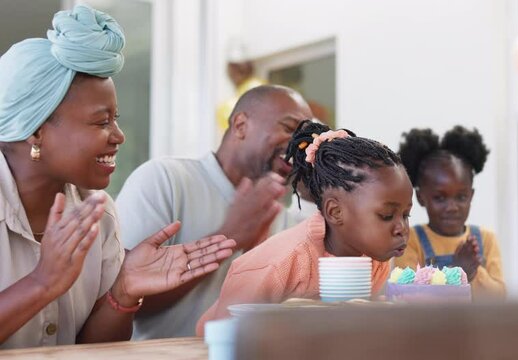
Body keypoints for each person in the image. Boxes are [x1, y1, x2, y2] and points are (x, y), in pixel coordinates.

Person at [0, 5, 235, 349]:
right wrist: (42, 283)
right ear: (36, 131)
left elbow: (93, 348)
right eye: (101, 121)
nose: (119, 135)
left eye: (115, 119)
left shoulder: (99, 214)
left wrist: (124, 291)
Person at [115, 85, 312, 339]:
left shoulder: (284, 216)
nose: (299, 145)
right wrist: (230, 235)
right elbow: (121, 299)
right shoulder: (164, 180)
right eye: (289, 128)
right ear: (241, 125)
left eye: (305, 136)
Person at [196, 120, 414, 334]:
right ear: (335, 212)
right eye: (387, 215)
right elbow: (222, 334)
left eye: (406, 215)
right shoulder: (279, 264)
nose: (402, 228)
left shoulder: (375, 259)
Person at [393, 126, 506, 299]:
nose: (452, 207)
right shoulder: (410, 240)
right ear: (421, 197)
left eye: (461, 197)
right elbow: (407, 296)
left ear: (471, 196)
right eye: (440, 198)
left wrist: (475, 271)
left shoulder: (486, 239)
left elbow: (499, 299)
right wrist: (459, 271)